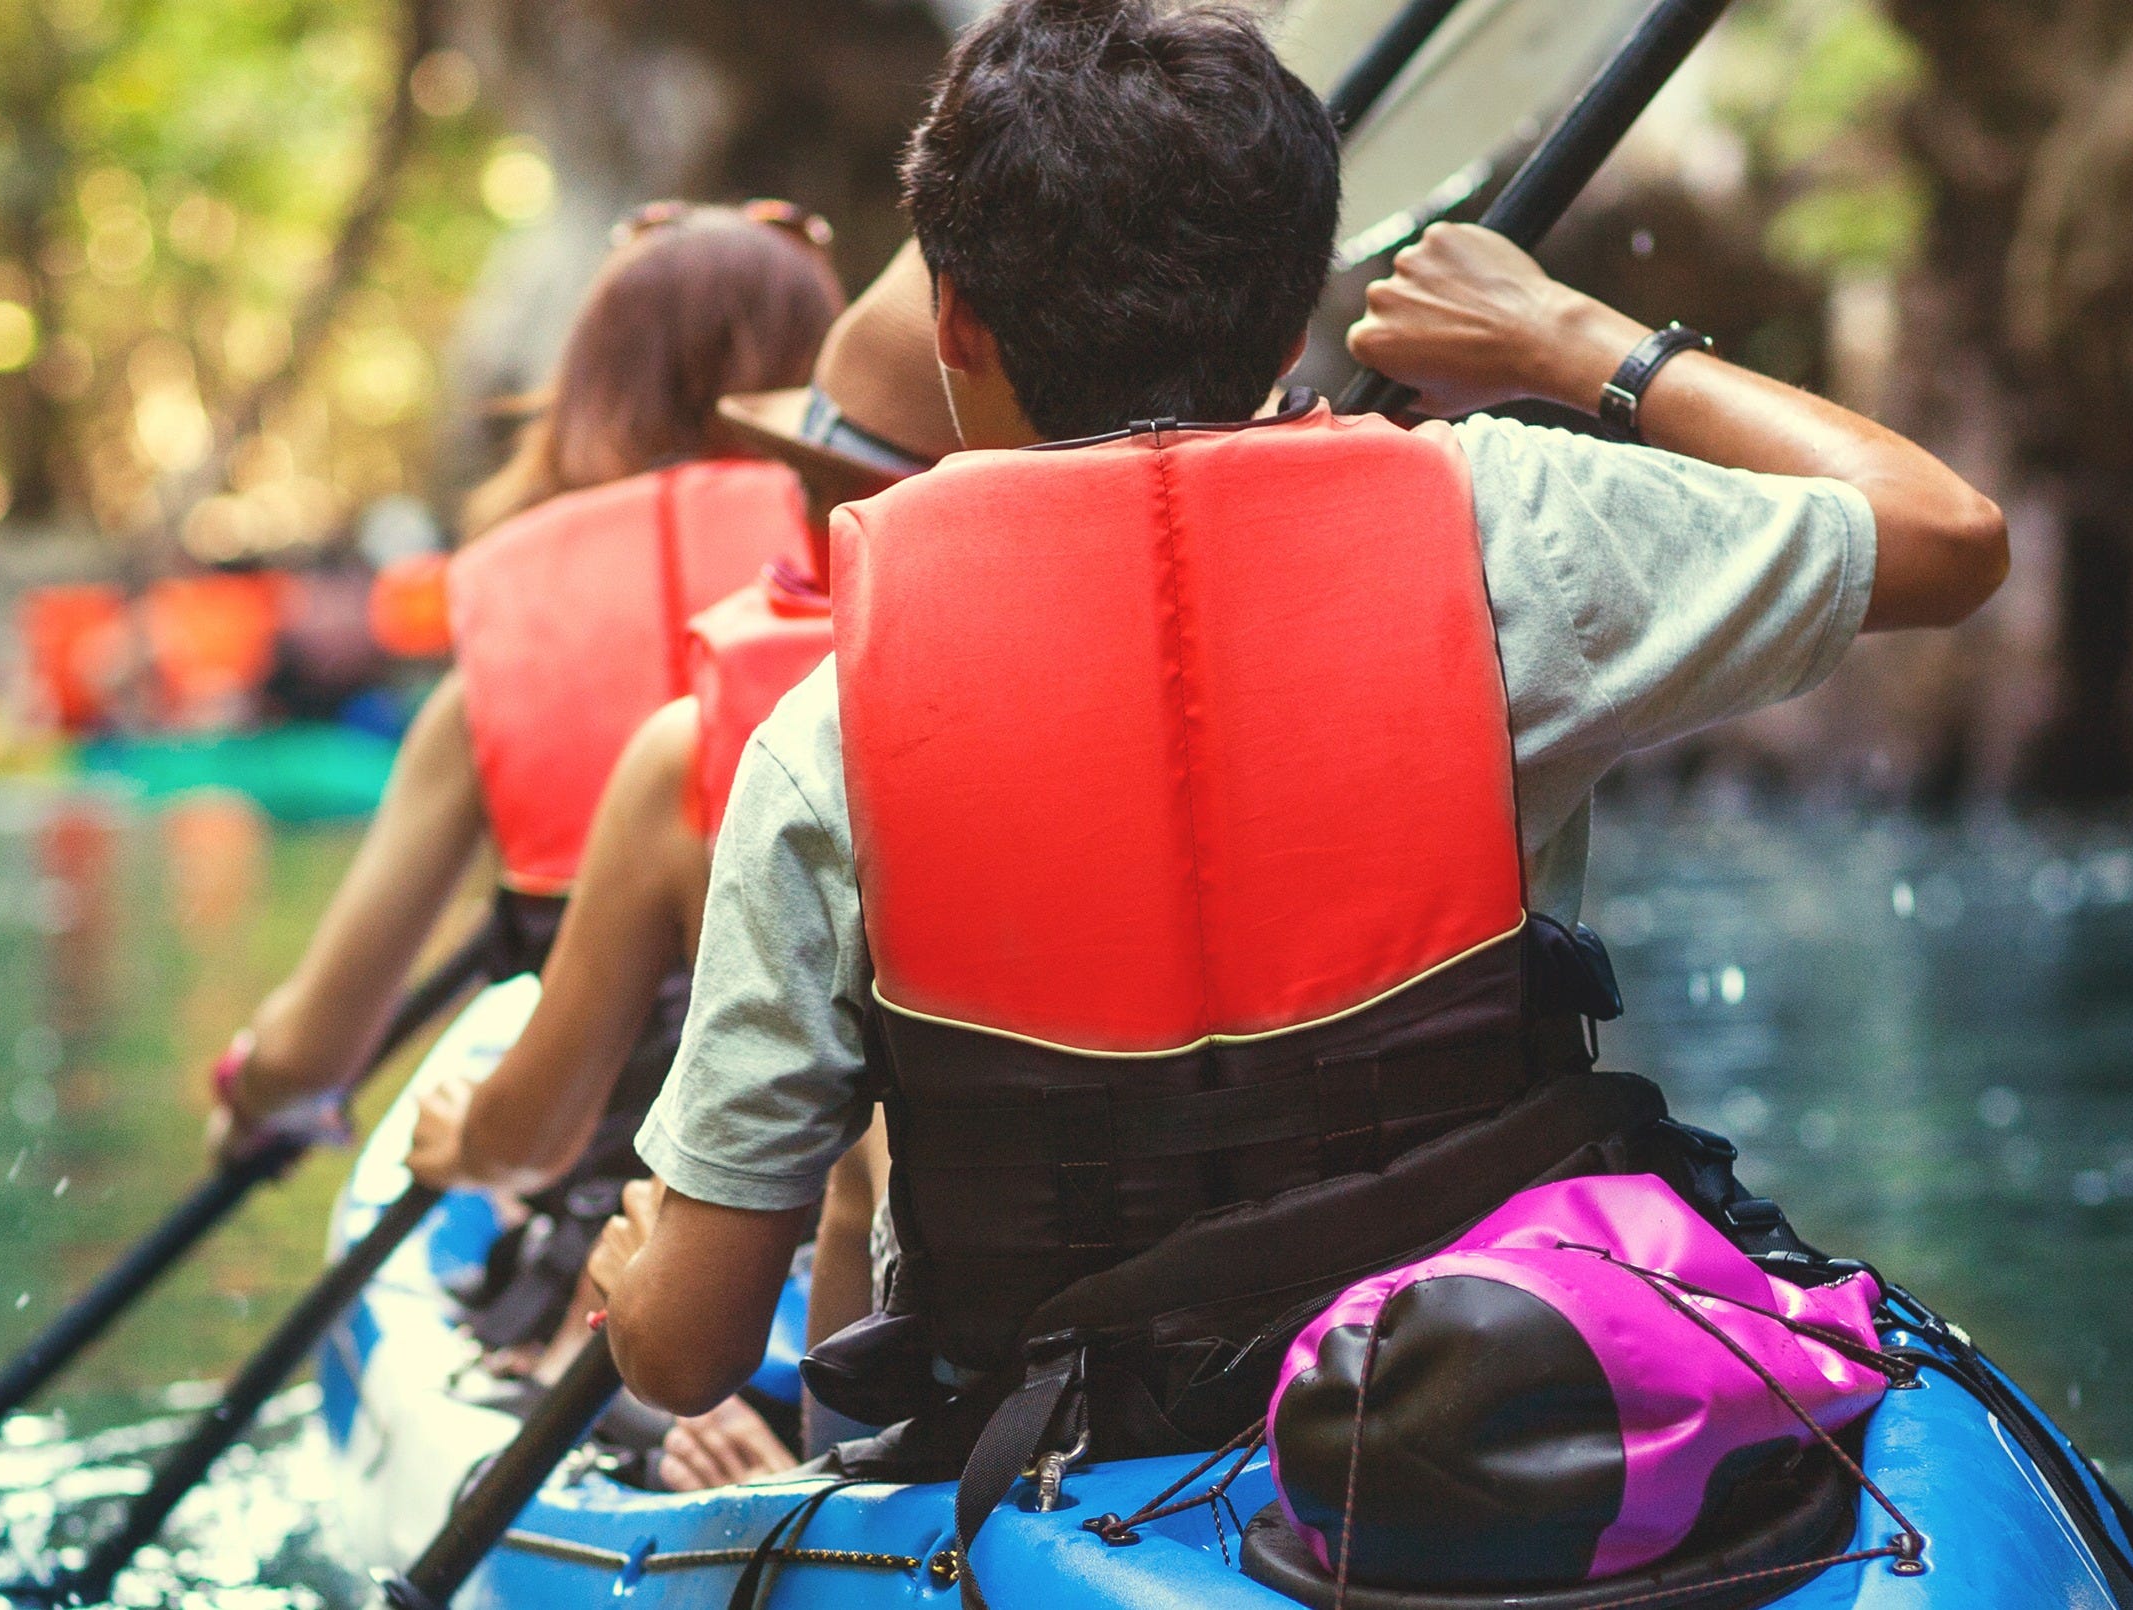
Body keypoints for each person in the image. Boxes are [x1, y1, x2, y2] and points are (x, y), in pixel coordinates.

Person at [580, 0, 2008, 1536]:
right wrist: (1572, 339)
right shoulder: (1505, 530)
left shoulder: (828, 733)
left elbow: (693, 1345)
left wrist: (627, 1278)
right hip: (1498, 1388)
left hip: (1068, 1451)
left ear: (955, 332)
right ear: (1287, 325)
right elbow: (1943, 535)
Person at [393, 249, 957, 1490]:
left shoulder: (709, 747)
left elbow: (540, 1147)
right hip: (1020, 1371)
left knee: (612, 1313)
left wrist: (461, 1150)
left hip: (765, 1327)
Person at [199, 202, 839, 1161]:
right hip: (848, 1191)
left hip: (590, 1189)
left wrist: (251, 1094)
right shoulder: (890, 593)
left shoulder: (499, 670)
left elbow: (312, 1051)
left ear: (589, 391)